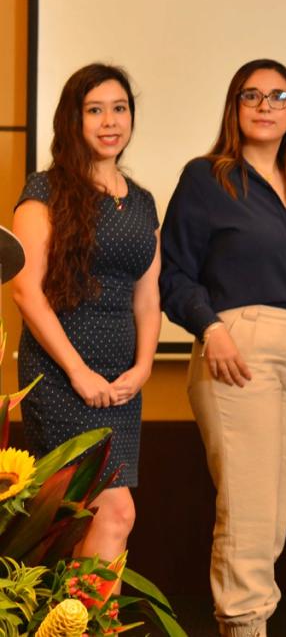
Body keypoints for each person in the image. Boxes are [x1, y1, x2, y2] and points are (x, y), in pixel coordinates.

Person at [160, 58, 286, 637]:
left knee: (272, 522)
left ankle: (251, 624)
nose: (264, 105)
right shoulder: (206, 178)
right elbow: (173, 274)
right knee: (249, 516)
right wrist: (212, 327)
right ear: (234, 107)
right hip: (237, 348)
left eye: (278, 96)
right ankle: (244, 628)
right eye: (250, 96)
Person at [12, 63, 160, 565]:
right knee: (114, 512)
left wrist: (142, 368)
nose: (109, 121)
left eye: (119, 109)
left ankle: (90, 623)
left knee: (100, 525)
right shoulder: (45, 190)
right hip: (60, 377)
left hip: (120, 385)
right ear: (72, 120)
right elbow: (24, 290)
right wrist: (77, 371)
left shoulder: (141, 201)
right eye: (94, 110)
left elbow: (148, 295)